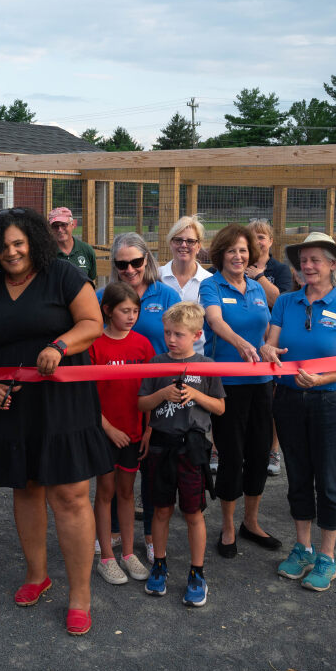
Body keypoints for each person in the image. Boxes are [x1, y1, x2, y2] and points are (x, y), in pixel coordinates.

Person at [0, 208, 111, 637]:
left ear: (33, 240)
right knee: (26, 489)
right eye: (3, 245)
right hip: (11, 403)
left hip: (63, 400)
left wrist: (61, 345)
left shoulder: (63, 275)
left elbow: (93, 323)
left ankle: (80, 596)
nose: (11, 252)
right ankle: (36, 576)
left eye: (18, 243)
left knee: (69, 495)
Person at [260, 232, 336, 593]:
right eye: (303, 260)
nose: (306, 266)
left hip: (329, 402)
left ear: (332, 265)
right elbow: (269, 345)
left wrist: (321, 379)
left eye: (315, 260)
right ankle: (302, 548)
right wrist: (269, 353)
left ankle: (327, 556)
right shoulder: (287, 302)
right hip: (289, 399)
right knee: (298, 475)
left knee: (328, 478)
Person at [137, 301, 225, 607]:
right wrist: (162, 394)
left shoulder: (207, 365)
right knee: (160, 510)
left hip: (193, 449)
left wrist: (196, 394)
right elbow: (142, 404)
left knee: (192, 513)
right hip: (161, 446)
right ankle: (158, 566)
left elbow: (220, 407)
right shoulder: (157, 363)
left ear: (197, 334)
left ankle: (197, 573)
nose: (171, 339)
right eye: (167, 333)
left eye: (178, 334)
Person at [199, 223, 280, 558]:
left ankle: (251, 522)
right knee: (231, 456)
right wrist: (243, 344)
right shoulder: (211, 286)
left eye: (243, 250)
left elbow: (272, 322)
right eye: (231, 250)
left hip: (261, 384)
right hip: (227, 385)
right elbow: (216, 322)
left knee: (259, 454)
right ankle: (229, 526)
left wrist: (267, 347)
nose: (237, 255)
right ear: (221, 254)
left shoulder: (258, 288)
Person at [102, 231, 181, 561]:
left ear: (147, 259)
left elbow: (182, 336)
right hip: (117, 399)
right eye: (122, 263)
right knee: (116, 477)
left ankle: (150, 534)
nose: (130, 268)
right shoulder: (102, 295)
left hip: (159, 392)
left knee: (153, 470)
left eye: (136, 261)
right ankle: (115, 532)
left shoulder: (166, 294)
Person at [88, 282, 155, 585]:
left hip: (135, 432)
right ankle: (106, 557)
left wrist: (149, 429)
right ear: (107, 311)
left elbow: (151, 390)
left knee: (127, 493)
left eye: (135, 311)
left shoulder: (143, 345)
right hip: (105, 432)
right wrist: (109, 428)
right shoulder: (94, 345)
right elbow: (86, 395)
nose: (131, 316)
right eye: (125, 311)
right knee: (105, 493)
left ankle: (128, 553)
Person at [247, 219, 293, 476]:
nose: (257, 242)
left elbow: (281, 300)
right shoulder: (238, 262)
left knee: (272, 394)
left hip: (274, 339)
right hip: (244, 337)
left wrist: (259, 277)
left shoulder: (280, 269)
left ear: (271, 241)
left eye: (262, 237)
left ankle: (273, 450)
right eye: (252, 237)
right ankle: (220, 448)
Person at [159, 215, 212, 354]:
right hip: (162, 358)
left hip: (198, 359)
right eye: (178, 240)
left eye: (190, 241)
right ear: (171, 243)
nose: (183, 245)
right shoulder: (157, 277)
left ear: (199, 246)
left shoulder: (209, 282)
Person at [49, 206, 97, 283]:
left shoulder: (86, 250)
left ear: (73, 224)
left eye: (63, 225)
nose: (60, 230)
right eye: (55, 226)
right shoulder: (46, 253)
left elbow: (91, 280)